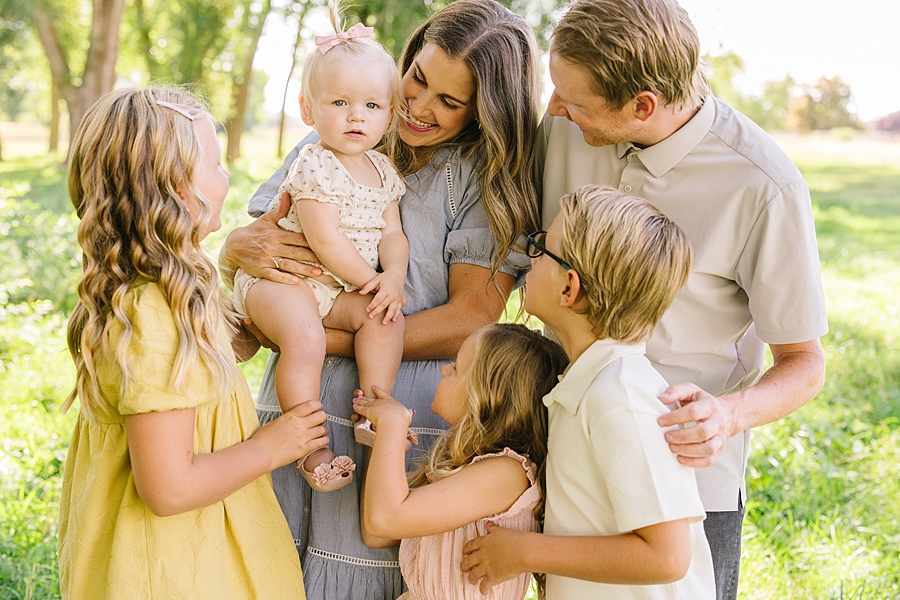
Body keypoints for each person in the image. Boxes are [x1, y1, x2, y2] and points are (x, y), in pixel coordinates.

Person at [219, 0, 542, 597]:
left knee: (360, 561)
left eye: (449, 102)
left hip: (401, 402)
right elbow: (263, 237)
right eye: (417, 79)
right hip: (302, 390)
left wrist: (322, 336)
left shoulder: (482, 178)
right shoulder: (343, 125)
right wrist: (236, 249)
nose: (418, 108)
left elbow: (469, 318)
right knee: (273, 558)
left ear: (486, 110)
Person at [530, 1, 828, 597]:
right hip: (562, 459)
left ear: (642, 104)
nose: (554, 108)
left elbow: (805, 362)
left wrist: (728, 415)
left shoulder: (763, 185)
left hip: (686, 485)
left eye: (574, 100)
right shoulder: (562, 128)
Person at [58, 87, 330, 599]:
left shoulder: (171, 284)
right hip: (169, 566)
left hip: (183, 552)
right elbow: (168, 488)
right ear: (179, 187)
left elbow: (230, 350)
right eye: (217, 164)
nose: (227, 177)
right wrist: (275, 445)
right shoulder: (151, 314)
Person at [462, 185, 715, 599]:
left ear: (569, 288)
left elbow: (667, 558)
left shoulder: (619, 397)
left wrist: (525, 551)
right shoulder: (589, 383)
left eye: (543, 248)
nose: (531, 254)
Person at [230, 1, 409, 492]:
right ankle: (309, 446)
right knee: (304, 338)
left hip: (333, 287)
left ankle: (375, 407)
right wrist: (367, 279)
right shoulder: (314, 161)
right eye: (339, 103)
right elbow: (323, 236)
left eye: (371, 106)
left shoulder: (382, 171)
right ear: (309, 110)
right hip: (285, 282)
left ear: (389, 114)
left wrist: (391, 278)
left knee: (383, 317)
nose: (357, 117)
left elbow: (393, 233)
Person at [353, 323, 569, 600]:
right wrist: (385, 437)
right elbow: (378, 534)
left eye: (456, 368)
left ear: (491, 396)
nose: (445, 369)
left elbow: (383, 521)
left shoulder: (506, 473)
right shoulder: (473, 470)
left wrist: (393, 425)